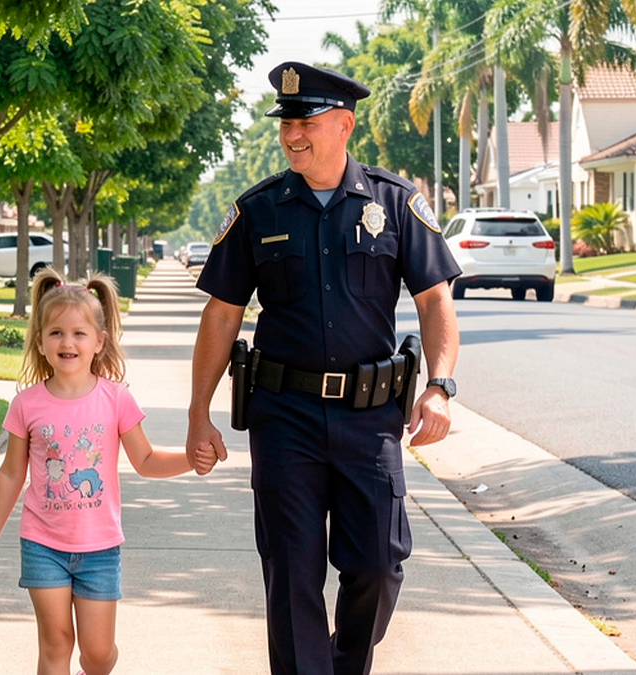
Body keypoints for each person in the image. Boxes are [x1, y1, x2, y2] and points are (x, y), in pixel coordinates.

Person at [186, 61, 462, 675]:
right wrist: (198, 414)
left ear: (345, 124)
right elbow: (222, 315)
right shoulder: (258, 211)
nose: (291, 134)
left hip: (371, 421)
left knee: (378, 566)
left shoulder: (394, 204)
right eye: (285, 123)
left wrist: (439, 387)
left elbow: (435, 301)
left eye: (305, 120)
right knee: (292, 575)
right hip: (285, 419)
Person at [0, 268, 216, 675]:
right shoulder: (26, 405)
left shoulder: (116, 399)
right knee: (56, 642)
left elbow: (145, 460)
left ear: (99, 342)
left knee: (98, 655)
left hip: (100, 549)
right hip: (42, 543)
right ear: (40, 341)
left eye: (78, 334)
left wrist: (191, 459)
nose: (67, 342)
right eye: (55, 333)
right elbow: (11, 475)